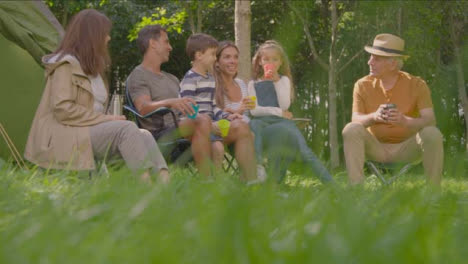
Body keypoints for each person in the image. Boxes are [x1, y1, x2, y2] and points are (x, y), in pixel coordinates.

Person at [24, 9, 169, 183]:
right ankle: (146, 189)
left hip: (87, 129)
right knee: (127, 128)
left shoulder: (93, 69)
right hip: (66, 133)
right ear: (91, 36)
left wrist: (107, 120)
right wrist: (106, 119)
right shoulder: (65, 65)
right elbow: (63, 109)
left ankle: (165, 186)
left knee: (144, 134)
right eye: (105, 34)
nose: (108, 38)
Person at [342, 33, 444, 186]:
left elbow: (430, 119)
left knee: (432, 133)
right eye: (370, 57)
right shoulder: (362, 85)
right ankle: (356, 191)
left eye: (376, 58)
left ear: (393, 63)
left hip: (407, 149)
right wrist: (374, 117)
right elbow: (355, 119)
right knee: (351, 129)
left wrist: (404, 121)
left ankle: (433, 194)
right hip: (375, 147)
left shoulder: (417, 84)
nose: (370, 62)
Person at [127, 25, 223, 178]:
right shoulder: (139, 75)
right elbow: (143, 108)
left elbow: (188, 110)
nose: (170, 47)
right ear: (153, 44)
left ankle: (245, 179)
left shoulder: (172, 78)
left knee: (236, 126)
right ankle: (208, 181)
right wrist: (169, 102)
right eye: (166, 42)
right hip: (159, 135)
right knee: (202, 122)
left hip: (184, 128)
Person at [247, 40, 333, 183]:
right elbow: (255, 111)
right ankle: (258, 165)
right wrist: (279, 112)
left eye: (275, 59)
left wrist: (276, 83)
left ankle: (331, 183)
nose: (271, 63)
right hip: (264, 123)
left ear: (280, 63)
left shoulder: (284, 80)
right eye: (266, 59)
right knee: (254, 124)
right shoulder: (253, 84)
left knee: (305, 151)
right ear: (260, 62)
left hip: (282, 123)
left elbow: (284, 104)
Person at [179, 33, 257, 182]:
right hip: (193, 125)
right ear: (199, 55)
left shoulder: (209, 79)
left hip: (211, 124)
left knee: (241, 125)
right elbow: (188, 109)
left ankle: (251, 180)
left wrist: (228, 116)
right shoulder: (189, 79)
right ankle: (207, 182)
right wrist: (210, 123)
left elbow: (213, 107)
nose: (215, 58)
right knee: (206, 124)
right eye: (213, 54)